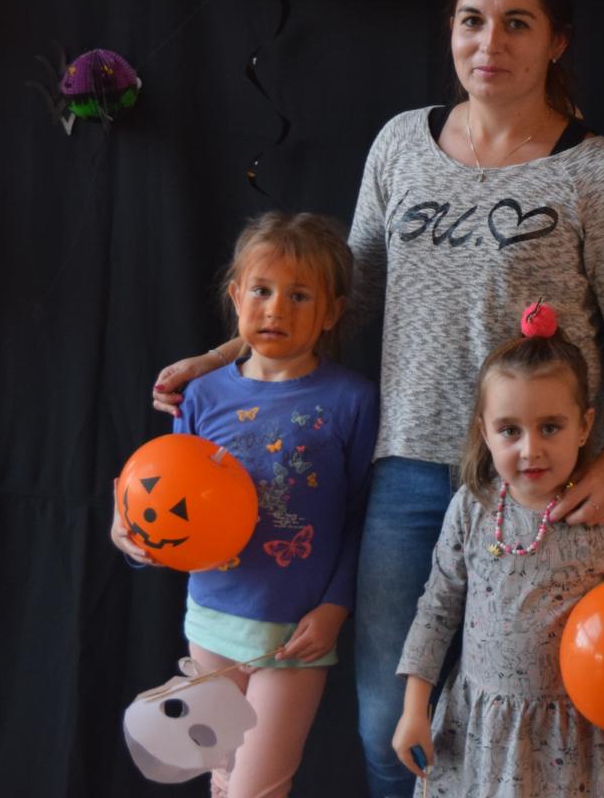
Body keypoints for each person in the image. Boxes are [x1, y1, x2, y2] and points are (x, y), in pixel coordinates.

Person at [152, 0, 604, 797]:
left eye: (517, 23)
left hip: (538, 482)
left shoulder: (598, 173)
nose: (489, 43)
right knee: (388, 728)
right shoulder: (402, 145)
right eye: (472, 21)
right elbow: (341, 296)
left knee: (531, 724)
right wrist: (223, 357)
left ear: (557, 41)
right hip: (406, 473)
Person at [390, 306, 604, 796]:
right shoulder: (471, 508)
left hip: (565, 743)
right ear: (484, 431)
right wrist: (413, 708)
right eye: (510, 430)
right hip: (478, 731)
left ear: (585, 426)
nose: (530, 449)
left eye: (550, 427)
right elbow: (438, 608)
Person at [114, 211, 379, 798]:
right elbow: (165, 494)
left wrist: (335, 608)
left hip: (295, 638)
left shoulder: (353, 401)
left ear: (331, 312)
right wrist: (131, 537)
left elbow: (362, 513)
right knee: (224, 779)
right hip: (211, 624)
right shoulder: (201, 395)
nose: (276, 308)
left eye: (299, 295)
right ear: (236, 297)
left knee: (257, 789)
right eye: (261, 290)